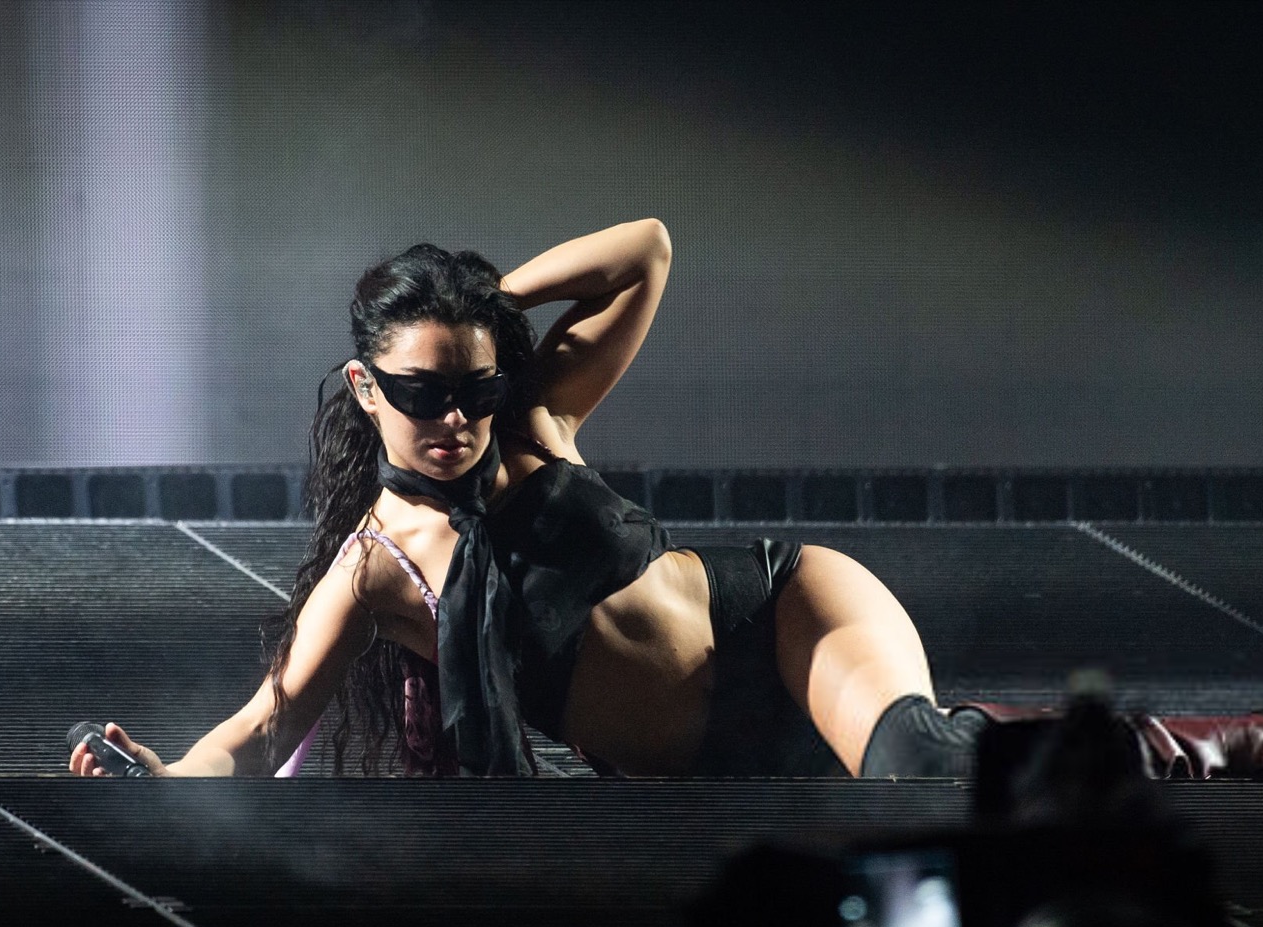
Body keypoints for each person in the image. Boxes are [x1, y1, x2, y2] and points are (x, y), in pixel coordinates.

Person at [68, 220, 981, 779]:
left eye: (476, 389)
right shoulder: (374, 570)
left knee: (926, 769)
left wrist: (489, 303)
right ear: (365, 387)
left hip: (788, 619)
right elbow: (263, 729)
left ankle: (1030, 745)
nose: (455, 418)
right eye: (423, 393)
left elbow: (646, 250)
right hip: (698, 768)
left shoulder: (533, 421)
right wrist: (164, 774)